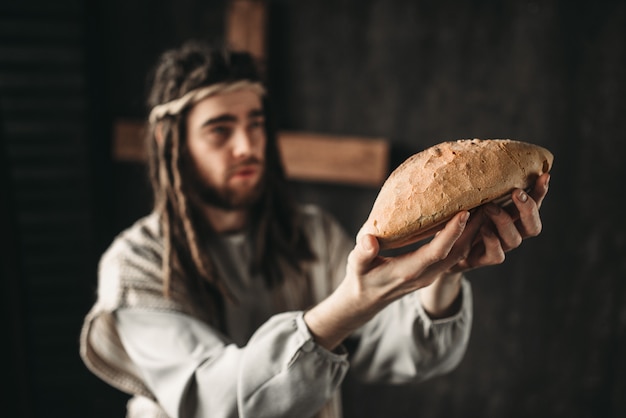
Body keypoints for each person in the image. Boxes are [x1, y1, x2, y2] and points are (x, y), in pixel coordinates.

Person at [80, 40, 550, 418]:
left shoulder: (309, 234)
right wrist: (349, 304)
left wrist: (448, 267)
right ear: (173, 147)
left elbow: (398, 350)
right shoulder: (134, 266)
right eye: (220, 130)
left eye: (256, 124)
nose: (247, 146)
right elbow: (216, 401)